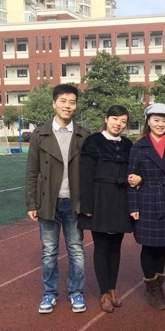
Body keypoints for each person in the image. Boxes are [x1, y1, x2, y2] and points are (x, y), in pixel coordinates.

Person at [25, 83, 90, 314]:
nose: (67, 106)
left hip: (74, 203)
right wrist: (31, 202)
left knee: (76, 250)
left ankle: (76, 292)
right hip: (48, 202)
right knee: (49, 251)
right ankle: (49, 293)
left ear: (76, 105)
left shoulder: (83, 134)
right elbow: (32, 171)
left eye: (72, 102)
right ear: (54, 103)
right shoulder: (40, 133)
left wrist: (88, 202)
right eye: (63, 101)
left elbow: (90, 173)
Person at [78, 105, 134, 313]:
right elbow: (85, 175)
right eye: (115, 119)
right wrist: (87, 204)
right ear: (106, 118)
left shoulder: (128, 144)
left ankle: (113, 288)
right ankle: (103, 292)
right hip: (100, 199)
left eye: (123, 121)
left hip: (121, 199)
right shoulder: (92, 142)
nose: (119, 124)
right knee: (101, 247)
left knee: (115, 247)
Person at [127, 103, 165, 310]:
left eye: (164, 121)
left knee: (162, 246)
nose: (160, 124)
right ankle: (152, 290)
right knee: (149, 247)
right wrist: (133, 206)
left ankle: (159, 287)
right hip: (147, 200)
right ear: (148, 121)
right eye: (156, 120)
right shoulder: (138, 146)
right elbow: (130, 179)